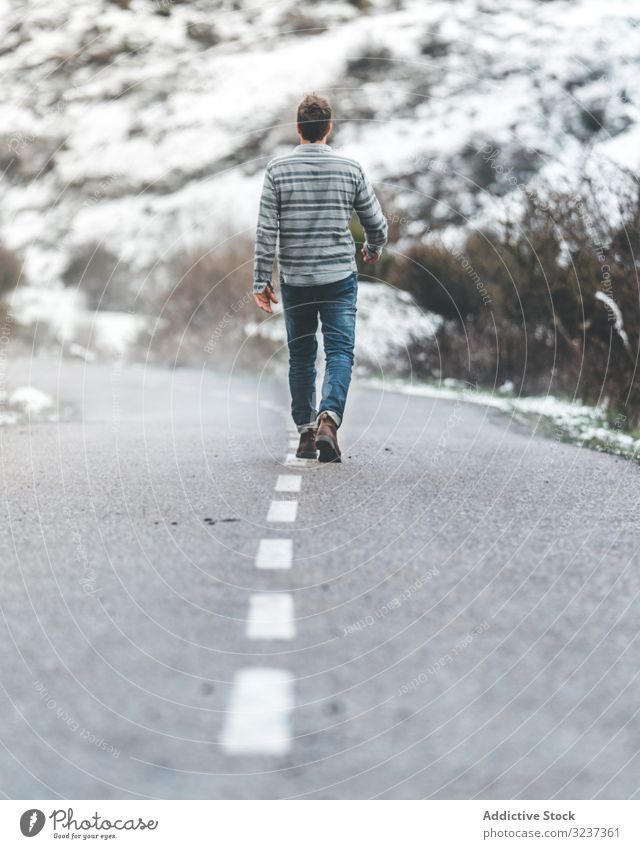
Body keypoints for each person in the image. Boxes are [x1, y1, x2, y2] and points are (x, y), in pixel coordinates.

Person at [253, 93, 388, 462]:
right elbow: (376, 224)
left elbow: (266, 231)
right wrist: (374, 248)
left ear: (299, 128)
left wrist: (261, 280)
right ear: (328, 128)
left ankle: (305, 434)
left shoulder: (277, 170)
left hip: (296, 280)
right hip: (339, 278)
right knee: (340, 351)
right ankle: (329, 418)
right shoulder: (350, 169)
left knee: (301, 356)